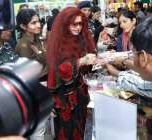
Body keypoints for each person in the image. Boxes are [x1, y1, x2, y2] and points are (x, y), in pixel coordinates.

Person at [46, 7, 97, 140]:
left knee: (82, 128)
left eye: (80, 24)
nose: (78, 27)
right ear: (65, 24)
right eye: (74, 24)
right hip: (65, 98)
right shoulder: (58, 42)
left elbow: (86, 60)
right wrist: (81, 61)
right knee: (68, 132)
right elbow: (58, 70)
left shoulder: (79, 38)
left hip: (80, 92)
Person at [15, 9, 47, 81]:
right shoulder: (24, 45)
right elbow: (28, 73)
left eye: (38, 21)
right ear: (23, 26)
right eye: (34, 23)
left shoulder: (36, 38)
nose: (39, 25)